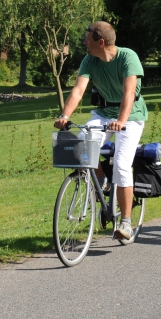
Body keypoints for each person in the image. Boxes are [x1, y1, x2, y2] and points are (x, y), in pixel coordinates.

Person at [54, 21, 148, 241]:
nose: (84, 42)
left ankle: (126, 222)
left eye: (87, 39)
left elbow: (128, 93)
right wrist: (65, 116)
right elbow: (78, 90)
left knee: (123, 165)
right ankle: (101, 180)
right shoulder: (89, 60)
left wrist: (121, 120)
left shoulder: (128, 57)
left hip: (131, 117)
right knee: (80, 149)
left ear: (101, 41)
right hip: (104, 113)